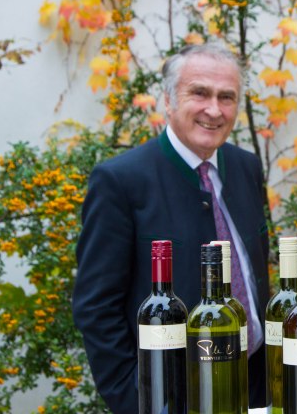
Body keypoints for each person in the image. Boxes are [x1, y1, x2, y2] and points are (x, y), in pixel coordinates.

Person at [72, 43, 270, 413]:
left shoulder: (246, 168)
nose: (214, 110)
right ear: (168, 99)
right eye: (200, 93)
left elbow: (258, 271)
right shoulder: (121, 181)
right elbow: (95, 307)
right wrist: (135, 399)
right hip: (173, 396)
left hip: (255, 389)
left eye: (226, 97)